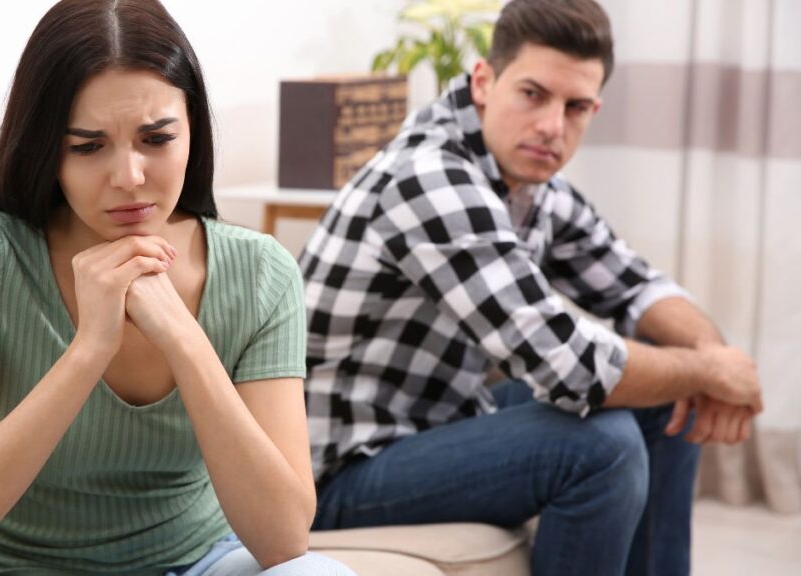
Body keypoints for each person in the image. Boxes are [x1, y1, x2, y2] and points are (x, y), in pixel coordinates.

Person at [300, 1, 761, 575]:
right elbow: (569, 369)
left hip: (435, 424)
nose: (552, 126)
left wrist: (711, 356)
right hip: (334, 473)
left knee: (664, 395)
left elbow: (637, 287)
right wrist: (711, 373)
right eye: (533, 95)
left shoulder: (526, 182)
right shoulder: (429, 177)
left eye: (577, 107)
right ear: (484, 81)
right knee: (602, 446)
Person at [0, 1, 354, 575]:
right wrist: (89, 348)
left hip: (208, 563)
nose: (129, 177)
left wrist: (184, 339)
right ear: (46, 148)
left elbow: (285, 539)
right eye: (87, 146)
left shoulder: (261, 272)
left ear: (193, 131)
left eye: (157, 139)